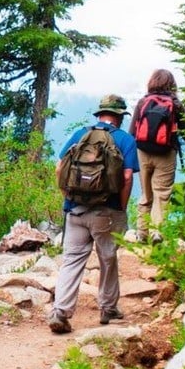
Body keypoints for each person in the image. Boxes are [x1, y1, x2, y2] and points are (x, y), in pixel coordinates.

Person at [49, 94, 140, 334]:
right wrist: (120, 207)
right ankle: (108, 308)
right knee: (107, 258)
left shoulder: (80, 135)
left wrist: (66, 196)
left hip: (75, 209)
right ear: (119, 116)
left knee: (72, 260)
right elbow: (128, 177)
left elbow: (59, 168)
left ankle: (60, 312)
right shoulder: (124, 139)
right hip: (105, 211)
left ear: (99, 114)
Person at [129, 69, 185, 242]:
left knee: (145, 194)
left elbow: (132, 131)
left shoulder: (143, 102)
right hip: (166, 152)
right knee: (162, 193)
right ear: (171, 84)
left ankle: (141, 233)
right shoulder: (175, 104)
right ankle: (157, 232)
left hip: (143, 151)